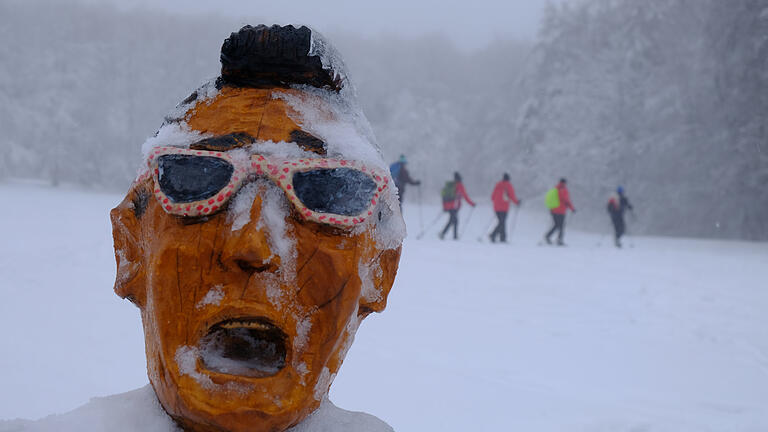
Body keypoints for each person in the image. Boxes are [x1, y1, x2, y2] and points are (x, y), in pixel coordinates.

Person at [439, 172, 476, 240]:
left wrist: (444, 206)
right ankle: (448, 235)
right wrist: (472, 204)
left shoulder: (451, 185)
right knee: (454, 220)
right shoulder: (460, 186)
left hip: (448, 205)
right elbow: (465, 196)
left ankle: (450, 235)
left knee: (453, 220)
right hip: (454, 206)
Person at [489, 173, 521, 243]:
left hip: (496, 207)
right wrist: (517, 202)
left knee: (502, 222)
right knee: (502, 222)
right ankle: (493, 235)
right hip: (504, 207)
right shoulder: (508, 186)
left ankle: (502, 237)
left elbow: (492, 197)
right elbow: (512, 196)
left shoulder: (497, 185)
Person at [544, 178, 576, 246]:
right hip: (560, 211)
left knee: (556, 225)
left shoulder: (555, 188)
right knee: (561, 226)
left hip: (553, 210)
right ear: (565, 183)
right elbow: (566, 200)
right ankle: (559, 240)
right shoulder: (563, 190)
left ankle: (548, 236)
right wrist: (572, 208)